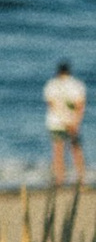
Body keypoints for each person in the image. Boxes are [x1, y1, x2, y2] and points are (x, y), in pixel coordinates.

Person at [46, 61, 87, 190]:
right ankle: (81, 179)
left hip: (56, 122)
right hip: (73, 121)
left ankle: (60, 179)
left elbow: (52, 105)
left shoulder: (52, 84)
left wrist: (64, 120)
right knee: (76, 150)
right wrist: (75, 122)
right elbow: (80, 106)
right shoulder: (77, 85)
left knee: (58, 150)